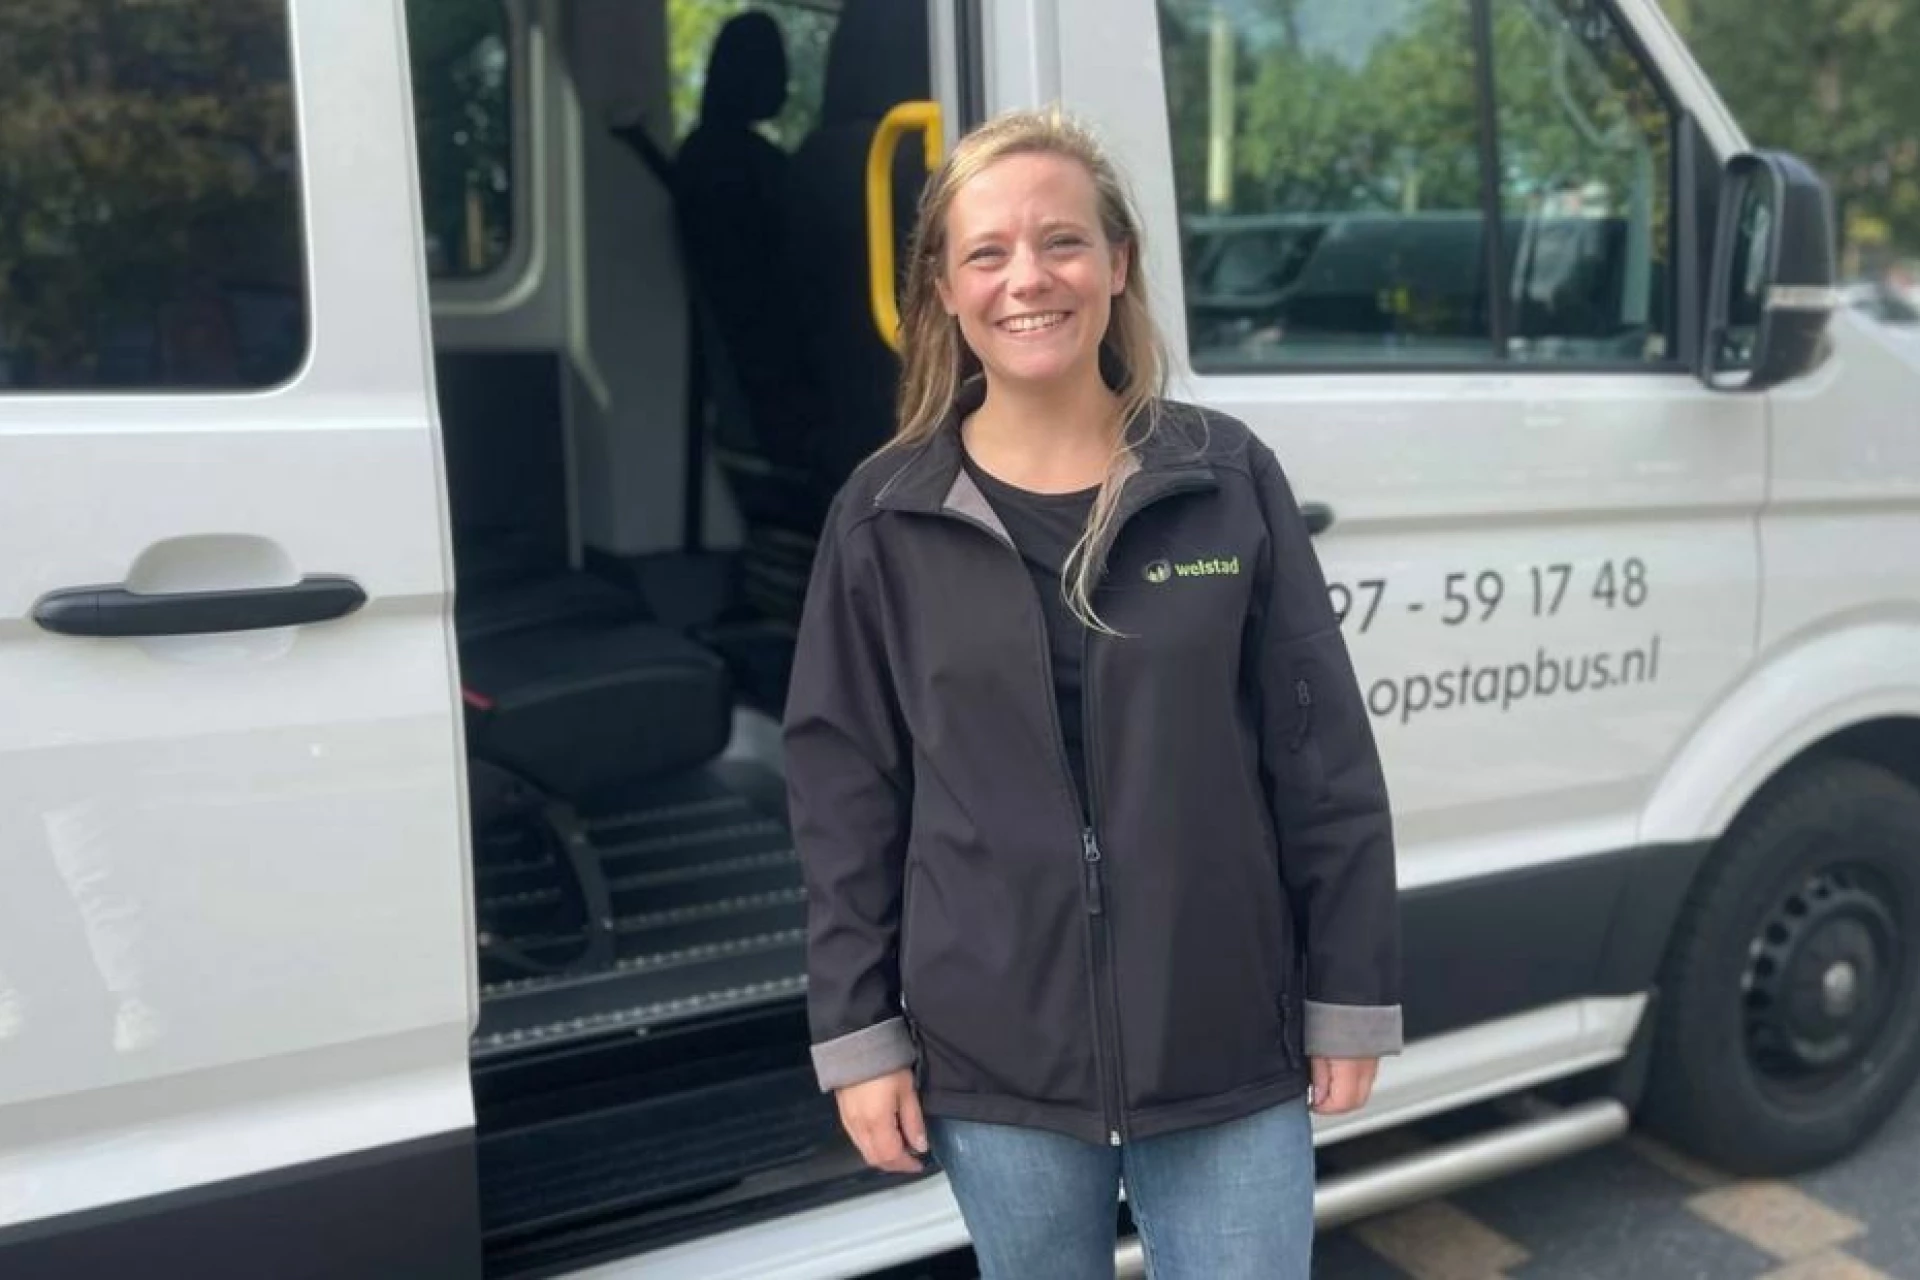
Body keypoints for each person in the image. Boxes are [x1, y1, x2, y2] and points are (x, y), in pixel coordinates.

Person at [782, 107, 1402, 1279]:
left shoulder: (1224, 477)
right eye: (987, 253)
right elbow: (843, 796)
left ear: (1118, 264)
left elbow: (1320, 756)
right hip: (995, 1055)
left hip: (1224, 1035)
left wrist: (1349, 990)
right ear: (945, 292)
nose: (1028, 278)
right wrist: (859, 1033)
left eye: (1062, 241)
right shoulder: (885, 516)